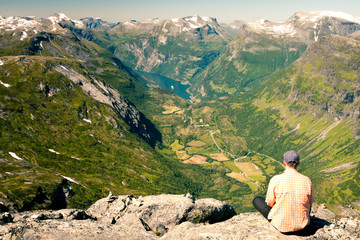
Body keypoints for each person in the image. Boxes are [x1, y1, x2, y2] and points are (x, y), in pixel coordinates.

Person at [253, 151, 315, 234]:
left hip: (281, 226)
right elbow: (310, 203)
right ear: (298, 163)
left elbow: (269, 203)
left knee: (257, 200)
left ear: (284, 163)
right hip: (302, 227)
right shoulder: (307, 180)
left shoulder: (276, 179)